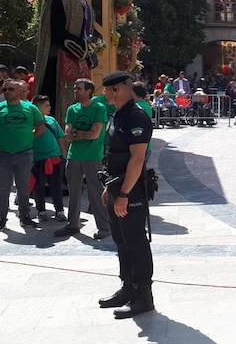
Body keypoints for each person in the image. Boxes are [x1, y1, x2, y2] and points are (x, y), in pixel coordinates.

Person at [97, 72, 155, 318]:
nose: (105, 93)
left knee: (135, 241)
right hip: (115, 187)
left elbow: (137, 158)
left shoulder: (136, 116)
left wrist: (123, 194)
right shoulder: (118, 115)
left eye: (108, 89)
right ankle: (128, 287)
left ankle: (143, 296)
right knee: (121, 240)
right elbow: (113, 155)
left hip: (129, 190)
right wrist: (108, 191)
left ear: (119, 89)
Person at [34, 0, 98, 121]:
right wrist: (85, 51)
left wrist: (88, 52)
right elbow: (59, 35)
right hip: (58, 66)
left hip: (77, 62)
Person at [59, 78, 111, 239]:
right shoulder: (72, 109)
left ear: (89, 91)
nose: (75, 90)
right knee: (73, 192)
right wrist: (83, 134)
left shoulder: (99, 108)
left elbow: (94, 134)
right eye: (75, 88)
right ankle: (72, 225)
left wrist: (78, 134)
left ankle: (104, 227)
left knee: (95, 192)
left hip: (93, 156)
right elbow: (68, 134)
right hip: (74, 156)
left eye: (79, 88)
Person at [0, 79, 45, 231]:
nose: (7, 92)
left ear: (19, 91)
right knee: (3, 188)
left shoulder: (30, 108)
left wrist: (29, 138)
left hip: (24, 153)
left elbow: (41, 126)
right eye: (5, 90)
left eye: (11, 89)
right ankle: (1, 219)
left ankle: (25, 217)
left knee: (23, 187)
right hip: (2, 154)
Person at [31, 95, 67, 222]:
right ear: (36, 107)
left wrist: (63, 154)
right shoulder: (30, 122)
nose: (50, 107)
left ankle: (60, 210)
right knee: (38, 185)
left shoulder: (51, 120)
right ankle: (41, 210)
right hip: (37, 158)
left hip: (54, 158)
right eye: (46, 105)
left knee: (56, 185)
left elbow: (60, 137)